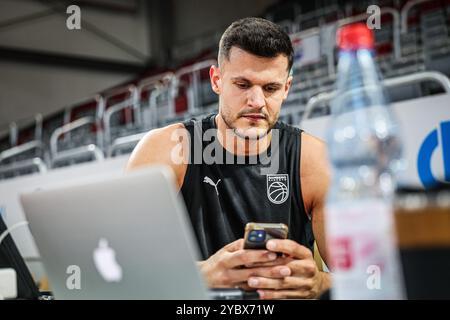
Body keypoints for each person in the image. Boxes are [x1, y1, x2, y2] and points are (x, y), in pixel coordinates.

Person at [126, 17, 332, 299]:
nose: (257, 102)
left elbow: (368, 276)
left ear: (286, 89)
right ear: (217, 80)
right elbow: (121, 267)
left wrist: (318, 284)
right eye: (243, 84)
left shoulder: (312, 159)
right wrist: (203, 274)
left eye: (270, 88)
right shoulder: (167, 150)